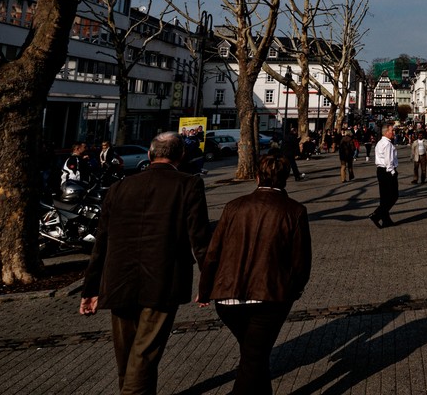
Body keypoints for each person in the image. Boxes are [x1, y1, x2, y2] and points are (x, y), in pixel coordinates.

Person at [80, 132, 210, 395]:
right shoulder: (188, 184)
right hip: (162, 281)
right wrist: (208, 281)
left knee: (127, 356)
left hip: (118, 281)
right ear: (181, 156)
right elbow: (200, 239)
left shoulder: (119, 188)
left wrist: (90, 289)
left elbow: (101, 243)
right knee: (144, 355)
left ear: (150, 155)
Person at [198, 154, 312, 395]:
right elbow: (301, 261)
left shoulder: (233, 206)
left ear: (257, 177)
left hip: (228, 296)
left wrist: (205, 289)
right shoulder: (294, 211)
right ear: (286, 179)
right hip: (269, 297)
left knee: (254, 355)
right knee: (253, 358)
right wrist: (295, 289)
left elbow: (212, 253)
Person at [370, 123, 398, 228]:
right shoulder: (387, 144)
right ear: (386, 132)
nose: (393, 133)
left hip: (380, 171)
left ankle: (386, 220)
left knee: (384, 197)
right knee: (394, 196)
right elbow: (388, 161)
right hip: (387, 171)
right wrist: (393, 173)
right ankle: (377, 215)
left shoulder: (379, 143)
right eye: (392, 131)